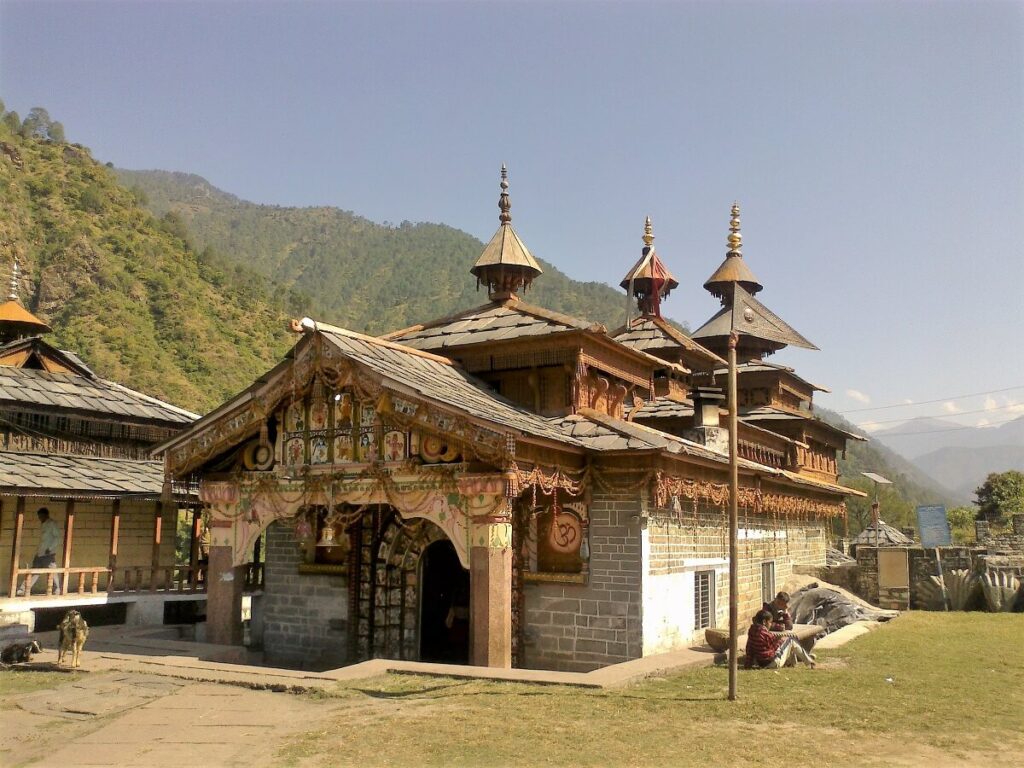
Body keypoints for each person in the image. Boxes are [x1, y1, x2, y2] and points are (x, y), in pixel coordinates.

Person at [744, 609, 815, 669]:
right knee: (790, 640)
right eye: (770, 622)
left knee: (788, 643)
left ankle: (792, 663)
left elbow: (749, 648)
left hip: (761, 663)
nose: (771, 625)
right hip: (772, 663)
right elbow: (776, 646)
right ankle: (810, 662)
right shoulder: (765, 634)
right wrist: (782, 638)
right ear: (764, 622)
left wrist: (748, 664)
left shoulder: (752, 632)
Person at [18, 507, 62, 595]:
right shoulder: (43, 524)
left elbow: (57, 538)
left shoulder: (51, 524)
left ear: (46, 515)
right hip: (40, 552)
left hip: (48, 553)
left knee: (52, 571)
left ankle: (57, 589)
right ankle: (23, 589)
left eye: (41, 516)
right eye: (39, 516)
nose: (40, 518)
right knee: (34, 571)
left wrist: (49, 548)